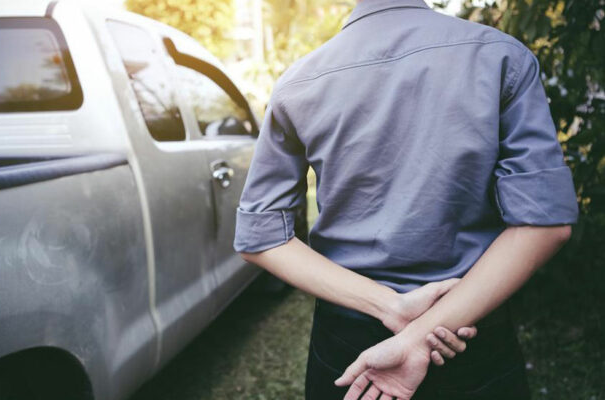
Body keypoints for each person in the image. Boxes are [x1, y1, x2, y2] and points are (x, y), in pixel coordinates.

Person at [232, 0, 580, 399]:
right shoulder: (501, 56)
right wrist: (424, 332)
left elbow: (260, 238)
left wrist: (389, 307)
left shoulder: (298, 82)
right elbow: (544, 225)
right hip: (469, 327)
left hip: (350, 342)